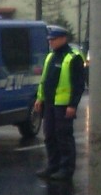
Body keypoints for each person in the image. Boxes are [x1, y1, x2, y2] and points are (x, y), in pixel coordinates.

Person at [34, 26, 86, 181]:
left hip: (63, 105)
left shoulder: (73, 57)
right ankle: (53, 165)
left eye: (53, 40)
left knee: (63, 136)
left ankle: (66, 169)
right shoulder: (51, 57)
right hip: (50, 103)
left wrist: (73, 105)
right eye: (49, 40)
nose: (51, 42)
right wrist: (40, 98)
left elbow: (78, 84)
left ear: (63, 39)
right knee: (49, 135)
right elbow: (45, 80)